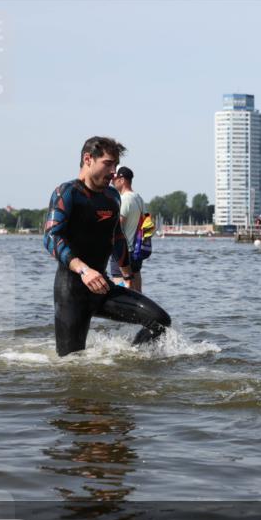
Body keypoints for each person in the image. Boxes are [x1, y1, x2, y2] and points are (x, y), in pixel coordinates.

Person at [43, 136, 171, 357]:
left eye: (115, 165)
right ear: (88, 159)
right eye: (108, 163)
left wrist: (128, 275)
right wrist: (83, 270)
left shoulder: (112, 197)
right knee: (71, 364)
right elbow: (51, 237)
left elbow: (117, 237)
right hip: (71, 293)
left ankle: (131, 361)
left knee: (160, 321)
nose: (113, 171)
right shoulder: (67, 193)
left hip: (103, 289)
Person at [107, 166, 146, 292]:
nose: (112, 181)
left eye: (114, 179)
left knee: (121, 295)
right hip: (137, 251)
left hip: (123, 251)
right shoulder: (139, 198)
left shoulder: (124, 199)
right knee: (137, 293)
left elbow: (117, 226)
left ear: (122, 180)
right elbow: (148, 223)